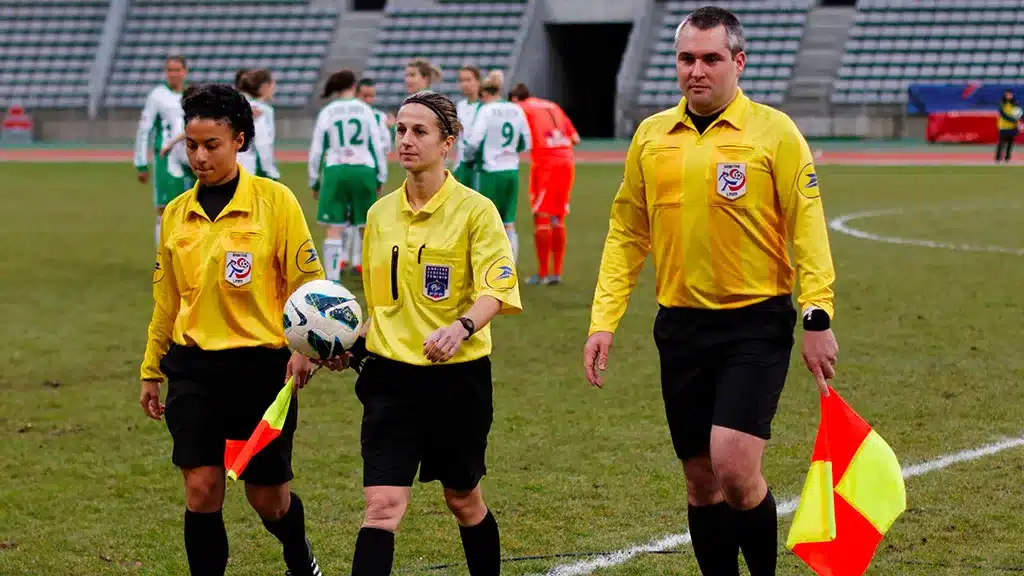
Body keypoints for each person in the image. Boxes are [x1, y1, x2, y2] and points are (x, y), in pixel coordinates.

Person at [582, 7, 838, 576]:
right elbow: (627, 232)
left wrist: (817, 316)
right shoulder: (652, 137)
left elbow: (807, 228)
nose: (696, 70)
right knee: (700, 481)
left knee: (735, 469)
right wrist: (604, 320)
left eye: (710, 59)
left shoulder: (774, 132)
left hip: (755, 322)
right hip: (680, 326)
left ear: (738, 62)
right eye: (686, 59)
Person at [320, 90, 522, 576]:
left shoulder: (476, 211)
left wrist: (463, 326)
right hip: (389, 379)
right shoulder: (379, 214)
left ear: (446, 143)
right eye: (401, 131)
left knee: (463, 499)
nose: (406, 141)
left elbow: (498, 284)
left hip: (457, 379)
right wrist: (350, 344)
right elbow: (381, 307)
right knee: (382, 507)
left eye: (419, 132)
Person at [138, 83, 326, 576]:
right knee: (202, 490)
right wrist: (150, 369)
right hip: (194, 367)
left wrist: (304, 347)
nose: (199, 156)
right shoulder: (176, 213)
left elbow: (309, 285)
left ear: (240, 140)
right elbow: (166, 299)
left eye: (211, 145)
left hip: (262, 372)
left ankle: (299, 556)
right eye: (191, 145)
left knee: (269, 500)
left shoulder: (276, 202)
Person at [309, 69, 389, 280]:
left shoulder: (328, 111)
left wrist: (314, 181)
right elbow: (376, 146)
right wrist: (381, 176)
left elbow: (317, 150)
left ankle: (333, 280)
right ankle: (370, 277)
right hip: (363, 169)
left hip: (336, 170)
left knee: (334, 228)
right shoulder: (365, 110)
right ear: (354, 87)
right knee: (365, 227)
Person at [509, 83, 580, 286]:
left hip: (546, 164)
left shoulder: (521, 108)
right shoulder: (552, 106)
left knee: (541, 216)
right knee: (557, 217)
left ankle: (542, 274)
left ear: (515, 99)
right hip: (567, 160)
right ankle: (556, 273)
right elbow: (575, 138)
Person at [463, 71, 531, 262]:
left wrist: (468, 158)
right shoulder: (516, 109)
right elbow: (526, 141)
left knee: (483, 221)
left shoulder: (486, 110)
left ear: (484, 94)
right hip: (511, 171)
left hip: (489, 172)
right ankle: (510, 267)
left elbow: (475, 141)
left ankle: (484, 265)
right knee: (508, 222)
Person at [135, 54, 189, 246]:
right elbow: (144, 129)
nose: (173, 74)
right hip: (166, 158)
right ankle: (163, 261)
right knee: (165, 210)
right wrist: (141, 163)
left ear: (185, 72)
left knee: (191, 211)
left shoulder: (192, 95)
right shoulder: (157, 95)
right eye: (169, 70)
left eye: (177, 70)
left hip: (192, 159)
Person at [238, 69, 281, 180]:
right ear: (265, 87)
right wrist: (269, 171)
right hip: (254, 170)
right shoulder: (261, 110)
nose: (274, 90)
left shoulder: (246, 107)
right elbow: (262, 144)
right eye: (272, 86)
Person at [452, 64, 483, 187]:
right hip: (462, 165)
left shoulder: (485, 107)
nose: (465, 84)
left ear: (478, 82)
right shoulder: (460, 106)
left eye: (468, 80)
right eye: (462, 80)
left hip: (478, 167)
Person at [996, 89, 1021, 163]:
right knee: (1001, 143)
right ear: (1005, 95)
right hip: (1003, 127)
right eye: (1008, 95)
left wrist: (1020, 118)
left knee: (1010, 144)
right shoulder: (1002, 104)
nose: (1009, 96)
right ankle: (998, 158)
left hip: (1012, 127)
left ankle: (1007, 158)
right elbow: (1003, 115)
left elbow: (1019, 113)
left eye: (1011, 94)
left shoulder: (1015, 104)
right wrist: (1013, 119)